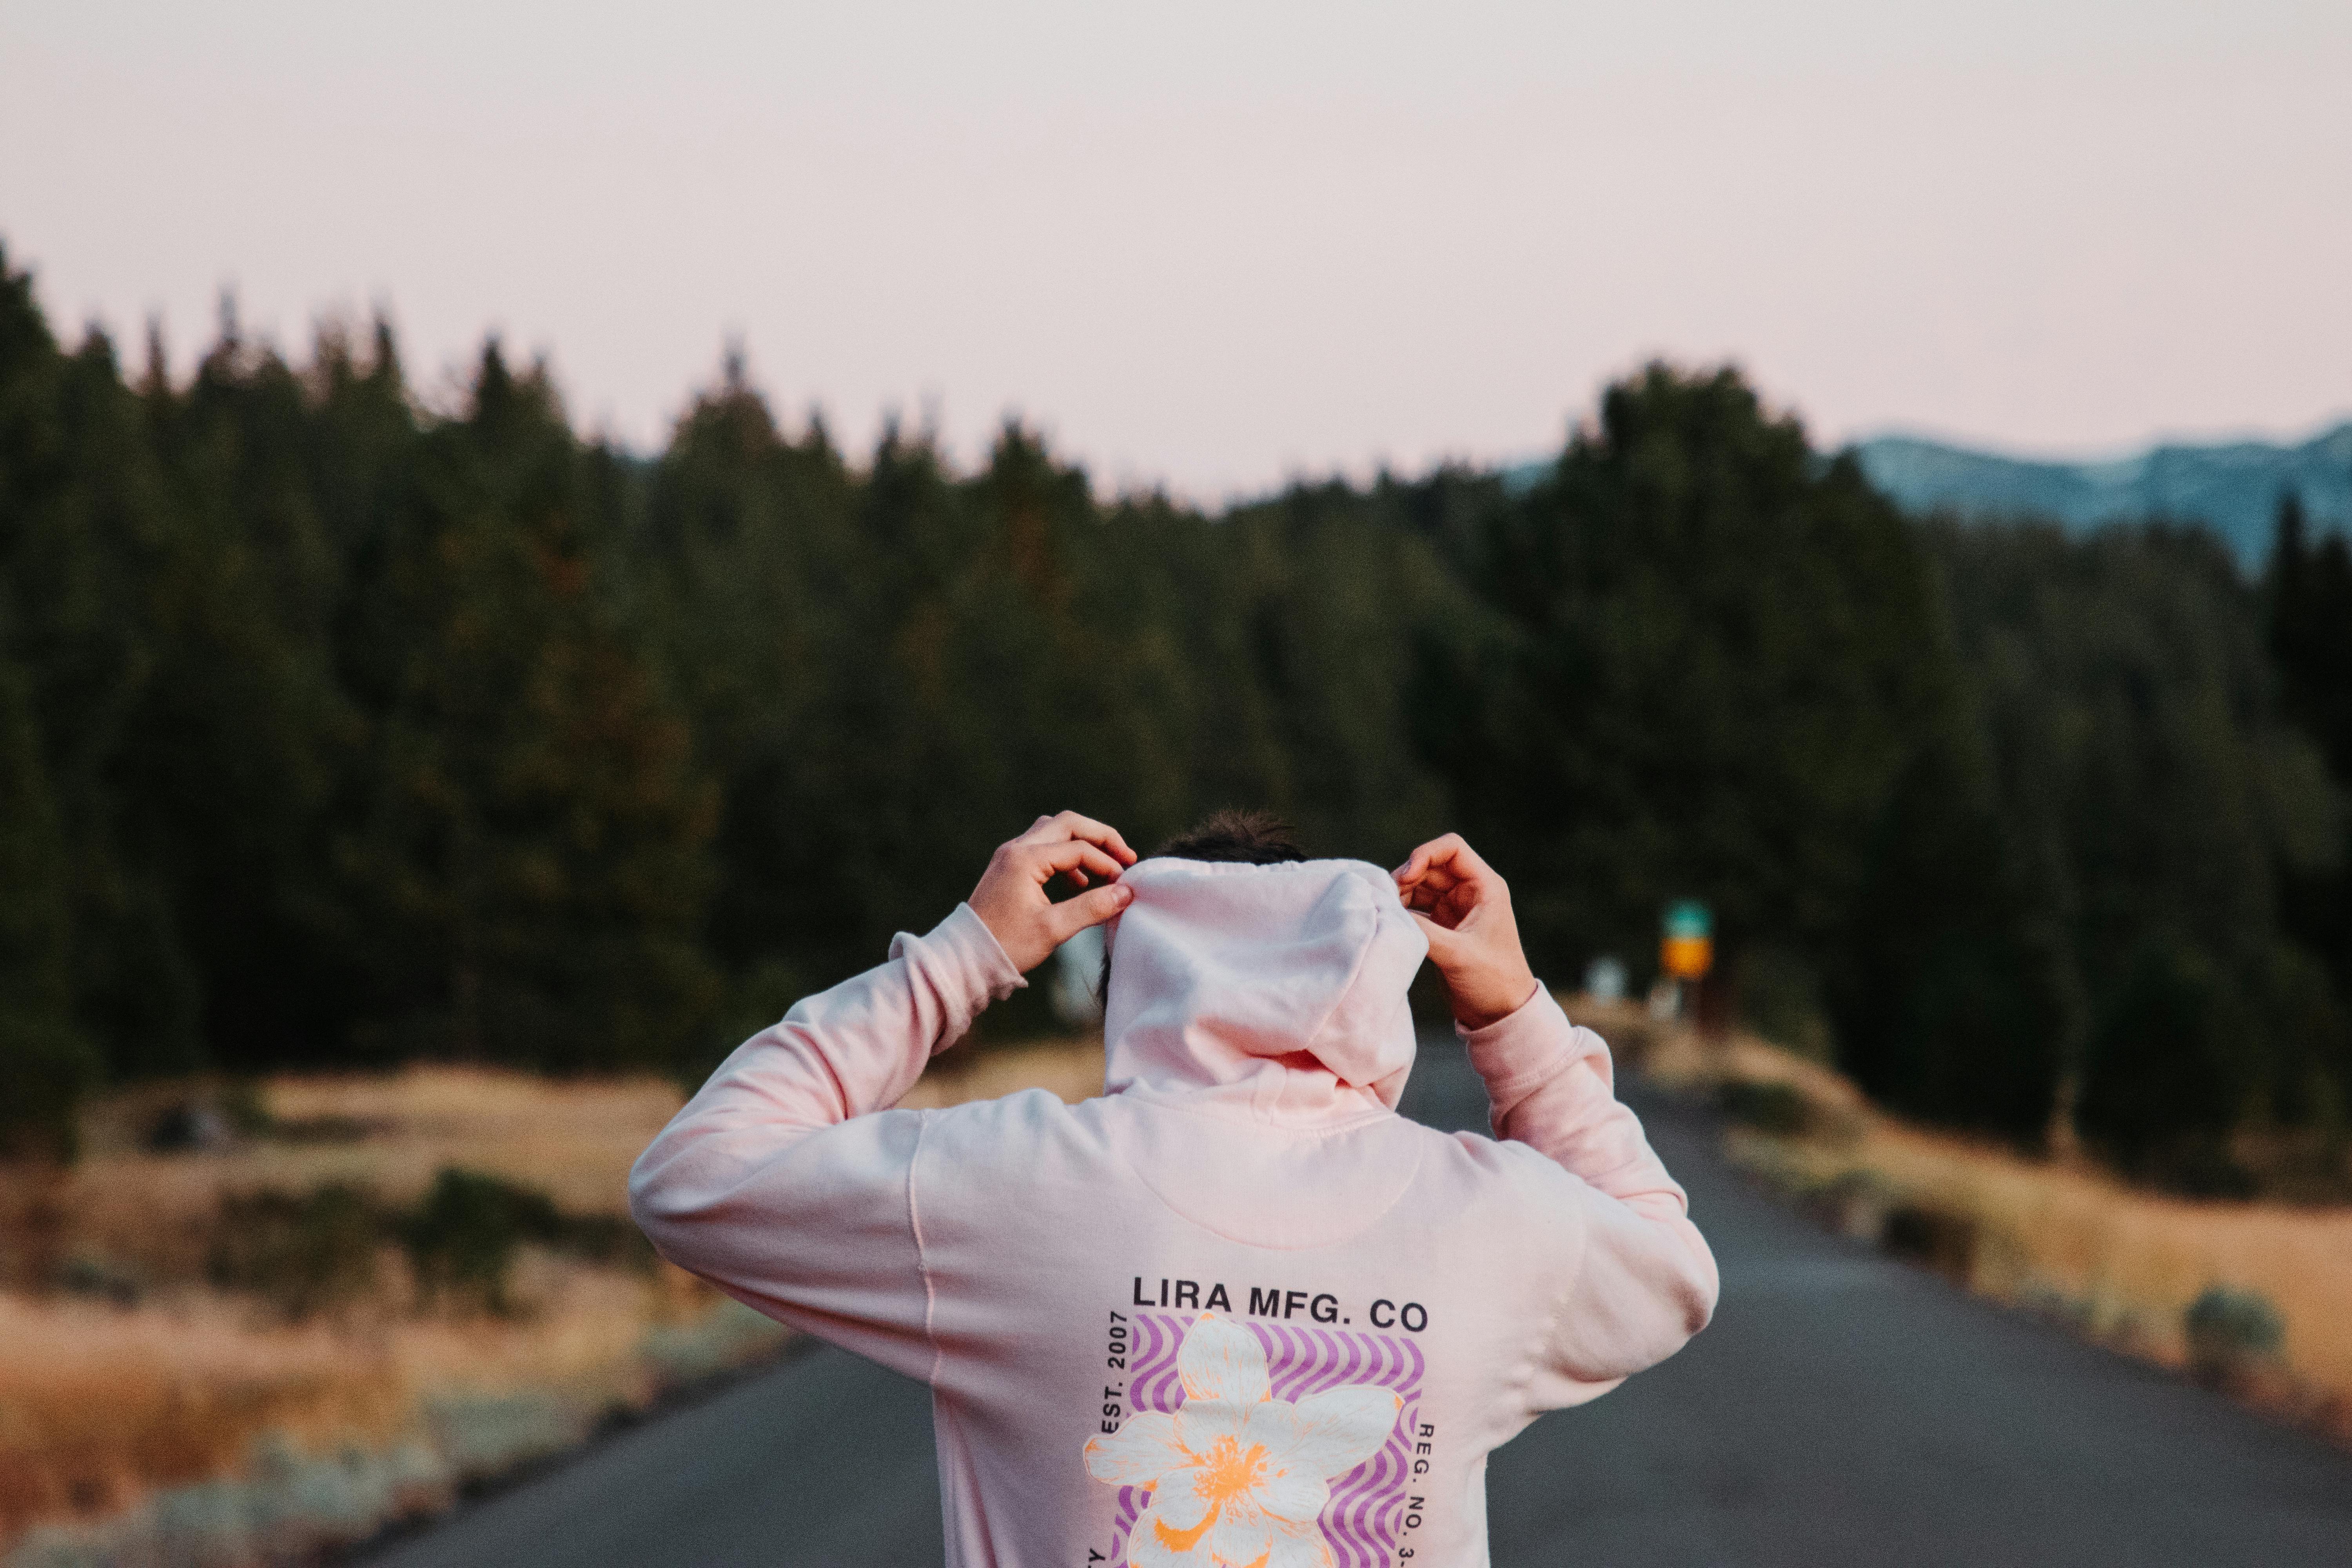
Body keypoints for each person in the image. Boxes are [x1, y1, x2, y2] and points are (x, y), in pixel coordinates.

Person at [630, 809, 1717, 1567]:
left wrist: (961, 958)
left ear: (1125, 993)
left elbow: (694, 1176)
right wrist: (1514, 1013)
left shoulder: (1010, 1185)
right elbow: (1674, 1272)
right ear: (1371, 1000)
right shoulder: (1492, 1222)